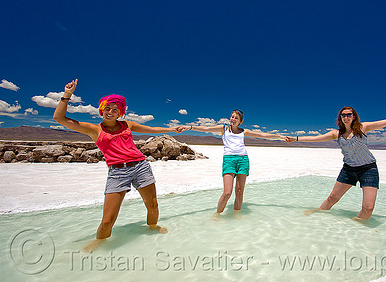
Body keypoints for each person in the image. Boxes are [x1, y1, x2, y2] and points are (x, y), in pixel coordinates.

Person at [53, 79, 182, 251]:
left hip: (140, 166)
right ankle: (99, 243)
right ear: (102, 110)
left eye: (115, 109)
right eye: (107, 108)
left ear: (120, 112)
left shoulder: (127, 125)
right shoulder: (94, 129)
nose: (111, 112)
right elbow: (59, 118)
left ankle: (152, 228)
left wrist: (172, 129)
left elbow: (149, 129)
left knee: (153, 205)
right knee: (108, 220)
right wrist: (67, 95)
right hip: (117, 172)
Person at [286, 97, 386, 221]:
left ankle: (356, 227)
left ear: (353, 116)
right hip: (349, 169)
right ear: (340, 117)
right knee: (332, 197)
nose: (346, 117)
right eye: (343, 115)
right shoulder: (337, 133)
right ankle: (318, 214)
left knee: (368, 208)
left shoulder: (363, 128)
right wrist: (296, 139)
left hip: (368, 169)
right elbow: (316, 138)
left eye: (348, 115)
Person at [179, 110, 286, 216]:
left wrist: (279, 136)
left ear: (240, 121)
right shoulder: (224, 128)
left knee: (239, 192)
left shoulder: (244, 131)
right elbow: (206, 129)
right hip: (229, 160)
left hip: (243, 160)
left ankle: (236, 215)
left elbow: (262, 135)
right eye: (232, 117)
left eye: (236, 118)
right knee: (227, 192)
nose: (233, 119)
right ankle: (217, 215)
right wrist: (191, 127)